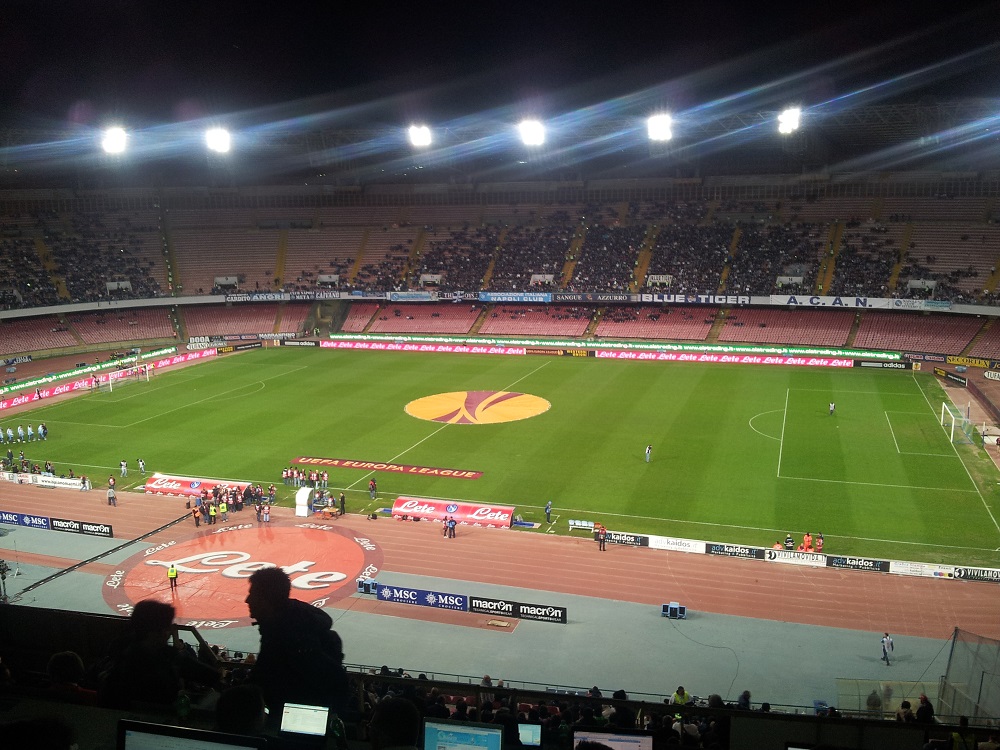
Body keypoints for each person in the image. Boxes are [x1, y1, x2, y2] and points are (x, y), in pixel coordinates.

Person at [244, 567, 349, 724]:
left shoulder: (285, 634)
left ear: (268, 600)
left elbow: (264, 675)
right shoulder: (286, 623)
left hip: (300, 720)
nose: (248, 600)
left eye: (253, 594)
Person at [99, 599, 220, 709]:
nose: (169, 634)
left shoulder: (119, 655)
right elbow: (212, 677)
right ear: (155, 633)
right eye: (167, 629)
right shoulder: (170, 658)